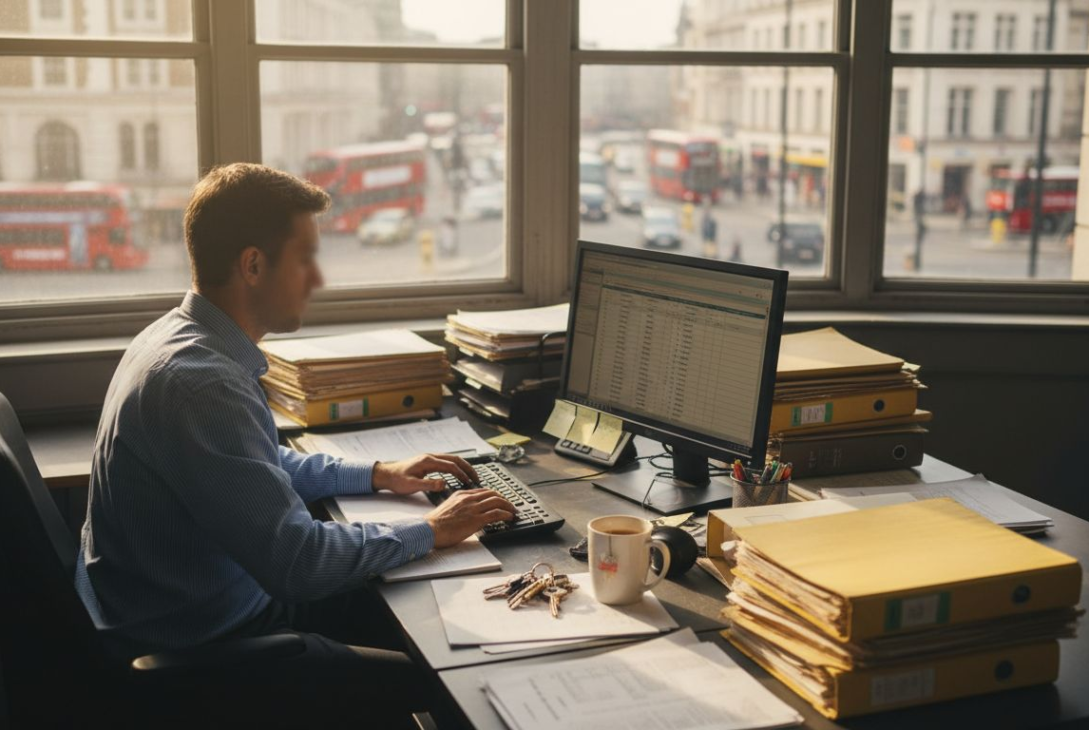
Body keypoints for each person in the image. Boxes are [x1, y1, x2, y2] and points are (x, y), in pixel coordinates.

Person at [74, 163, 516, 723]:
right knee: (449, 682)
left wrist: (375, 473)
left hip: (174, 609)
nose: (318, 278)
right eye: (306, 258)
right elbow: (299, 564)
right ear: (253, 265)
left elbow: (252, 465)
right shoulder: (201, 381)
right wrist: (430, 529)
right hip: (208, 650)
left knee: (421, 606)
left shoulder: (178, 339)